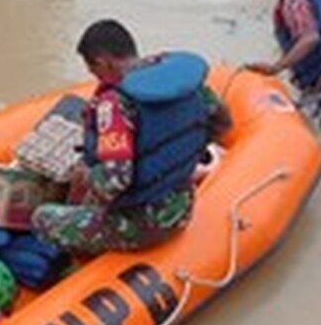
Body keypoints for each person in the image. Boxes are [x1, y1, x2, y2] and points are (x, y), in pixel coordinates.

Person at [32, 19, 231, 256]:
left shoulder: (115, 106)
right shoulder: (183, 84)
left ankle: (73, 264)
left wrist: (85, 175)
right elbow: (223, 123)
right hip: (182, 206)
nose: (97, 78)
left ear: (103, 62)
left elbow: (114, 182)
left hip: (141, 225)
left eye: (94, 70)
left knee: (42, 216)